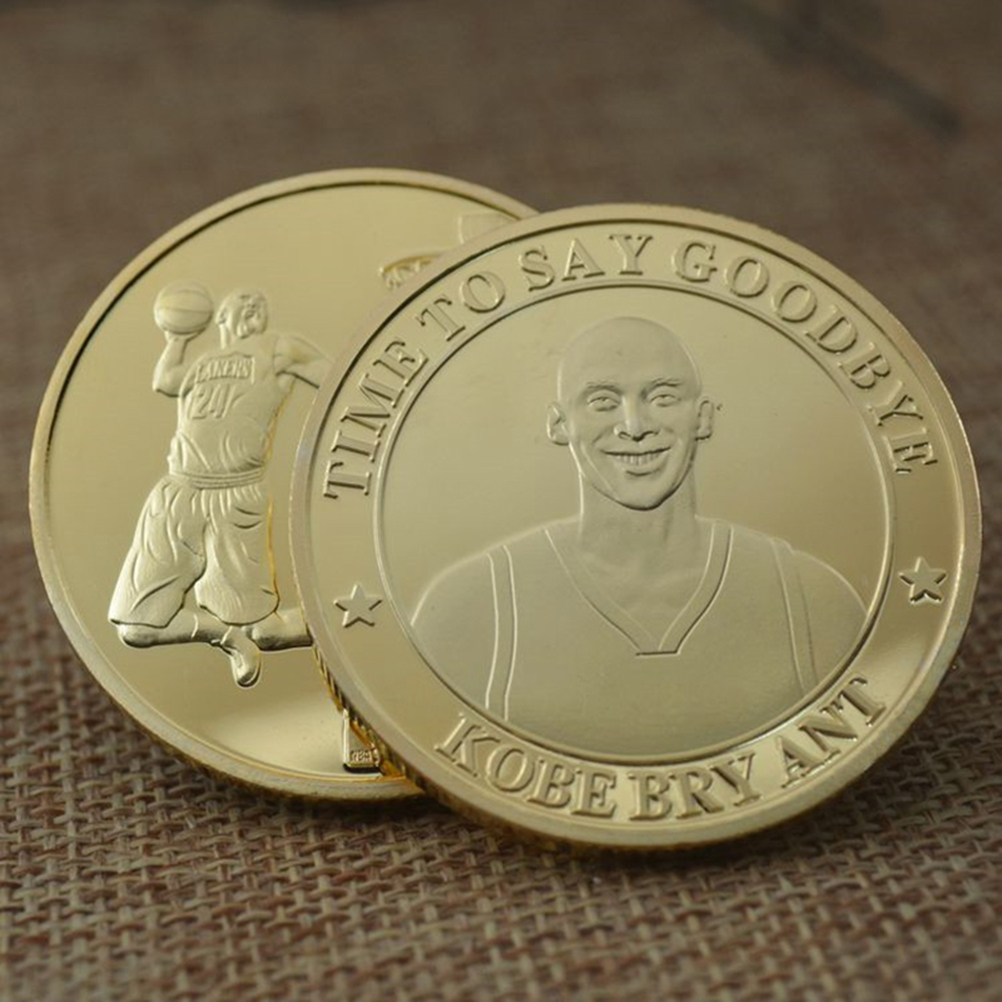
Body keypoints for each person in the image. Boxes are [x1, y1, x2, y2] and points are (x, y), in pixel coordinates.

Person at [411, 316, 865, 756]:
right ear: (559, 425)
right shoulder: (471, 608)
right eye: (603, 402)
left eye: (663, 398)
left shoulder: (812, 601)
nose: (634, 426)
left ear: (703, 418)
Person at [109, 288, 331, 688]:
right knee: (136, 629)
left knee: (267, 632)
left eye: (257, 304)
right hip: (177, 493)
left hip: (235, 497)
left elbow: (338, 378)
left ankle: (353, 623)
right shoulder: (203, 361)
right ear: (222, 316)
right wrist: (177, 337)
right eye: (243, 302)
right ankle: (226, 638)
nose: (253, 306)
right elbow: (165, 380)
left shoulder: (279, 348)